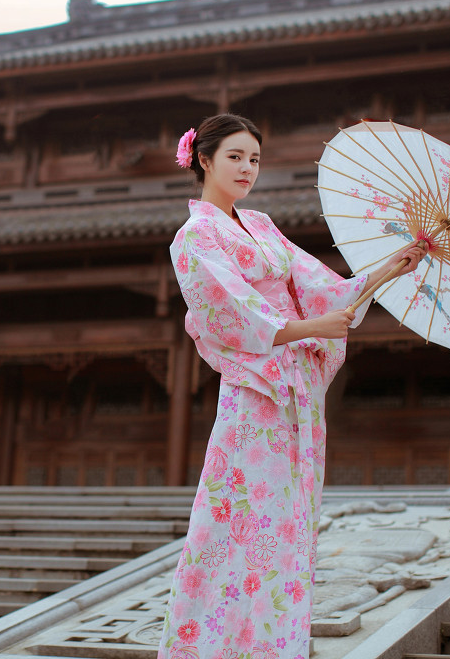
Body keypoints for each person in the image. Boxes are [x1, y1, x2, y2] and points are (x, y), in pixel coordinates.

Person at [158, 114, 426, 659]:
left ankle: (274, 642)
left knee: (288, 520)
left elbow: (324, 287)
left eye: (254, 159)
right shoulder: (195, 236)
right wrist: (310, 330)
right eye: (235, 156)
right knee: (243, 516)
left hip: (297, 387)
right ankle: (212, 645)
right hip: (258, 390)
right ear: (203, 160)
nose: (247, 168)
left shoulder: (260, 224)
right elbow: (231, 312)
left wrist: (390, 268)